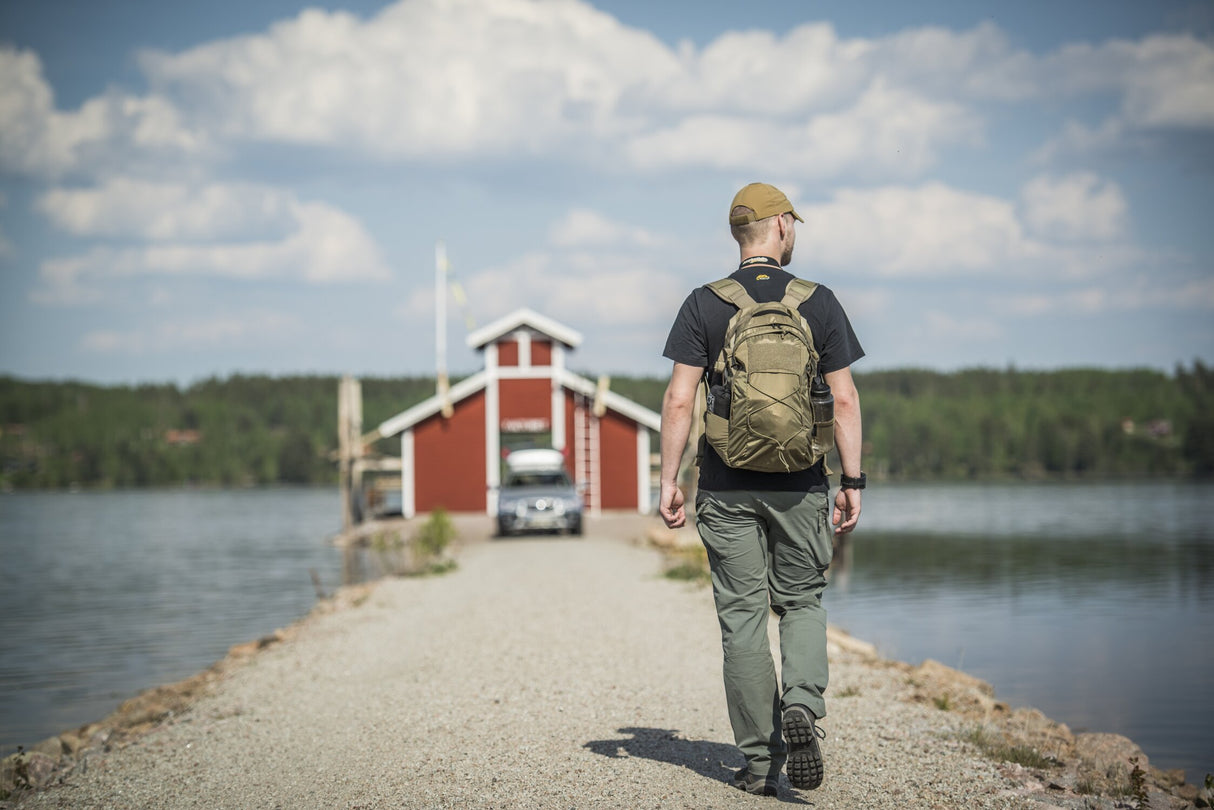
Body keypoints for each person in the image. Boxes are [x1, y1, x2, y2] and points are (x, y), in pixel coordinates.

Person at [659, 182, 865, 796]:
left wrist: (668, 480)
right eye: (793, 223)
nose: (794, 231)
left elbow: (678, 399)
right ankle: (802, 703)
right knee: (800, 601)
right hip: (802, 484)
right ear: (779, 227)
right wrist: (851, 480)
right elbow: (846, 399)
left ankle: (757, 762)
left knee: (743, 619)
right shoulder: (818, 302)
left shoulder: (704, 303)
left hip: (723, 485)